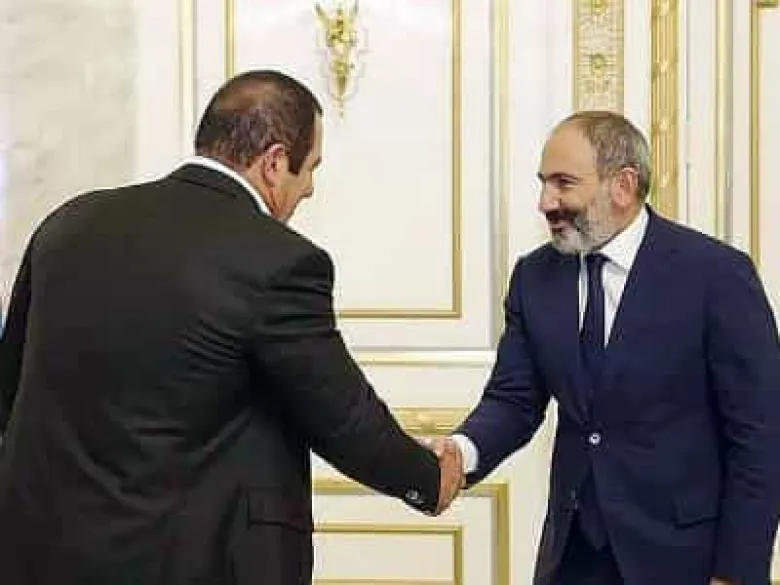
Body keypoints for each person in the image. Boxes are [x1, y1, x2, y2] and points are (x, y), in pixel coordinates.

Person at [0, 69, 462, 585]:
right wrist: (428, 479)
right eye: (310, 168)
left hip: (40, 557)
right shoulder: (277, 261)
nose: (309, 189)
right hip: (189, 563)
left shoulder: (67, 225)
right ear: (274, 162)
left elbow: (10, 390)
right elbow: (343, 417)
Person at [437, 111, 780, 585]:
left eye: (563, 183)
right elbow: (513, 399)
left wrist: (737, 572)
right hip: (572, 557)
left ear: (623, 185)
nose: (545, 202)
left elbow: (761, 435)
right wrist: (461, 452)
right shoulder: (534, 277)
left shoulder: (717, 275)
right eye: (543, 183)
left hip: (683, 558)